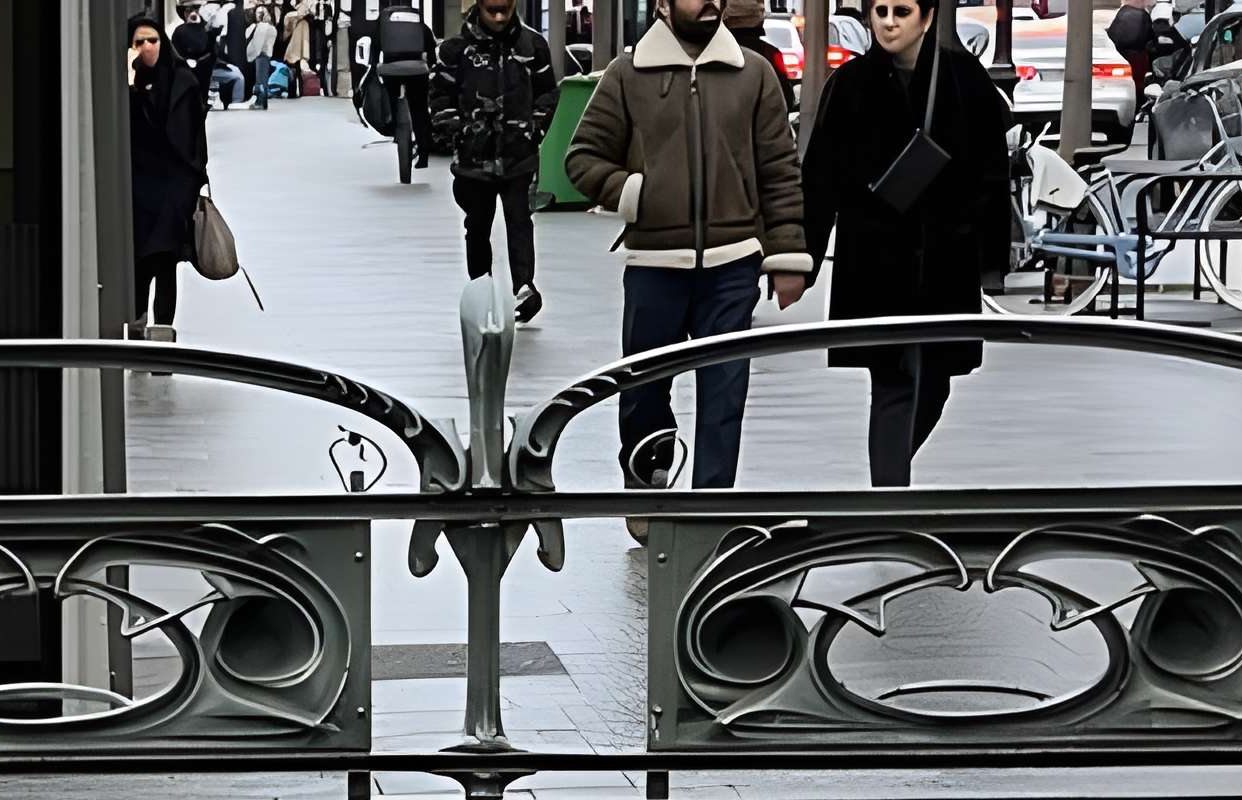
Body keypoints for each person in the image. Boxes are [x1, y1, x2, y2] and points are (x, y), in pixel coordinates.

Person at [564, 0, 814, 510]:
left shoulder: (755, 75)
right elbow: (582, 158)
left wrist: (787, 256)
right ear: (662, 4)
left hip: (733, 263)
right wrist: (634, 193)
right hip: (655, 264)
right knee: (643, 390)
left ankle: (709, 507)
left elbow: (780, 171)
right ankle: (647, 482)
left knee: (725, 390)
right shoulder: (627, 74)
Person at [803, 0, 1011, 486]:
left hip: (945, 260)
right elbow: (821, 179)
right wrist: (803, 257)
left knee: (935, 384)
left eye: (902, 10)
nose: (889, 21)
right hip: (875, 259)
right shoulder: (851, 84)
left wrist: (990, 263)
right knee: (892, 381)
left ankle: (890, 480)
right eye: (880, 10)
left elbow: (991, 174)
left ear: (927, 17)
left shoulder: (965, 80)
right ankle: (889, 497)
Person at [432, 0, 561, 322]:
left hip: (519, 155)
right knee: (477, 227)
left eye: (505, 9)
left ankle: (525, 287)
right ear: (480, 7)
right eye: (493, 10)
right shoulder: (455, 50)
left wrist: (534, 128)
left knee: (520, 222)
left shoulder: (532, 46)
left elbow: (548, 92)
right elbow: (439, 96)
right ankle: (481, 290)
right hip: (472, 160)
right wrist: (458, 132)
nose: (500, 17)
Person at [128, 14, 210, 351]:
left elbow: (195, 138)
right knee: (138, 264)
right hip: (137, 187)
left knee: (165, 263)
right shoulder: (126, 86)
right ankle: (135, 332)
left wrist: (193, 182)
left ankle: (162, 338)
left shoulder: (182, 81)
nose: (147, 48)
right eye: (138, 42)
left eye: (153, 40)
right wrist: (131, 81)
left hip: (174, 186)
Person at [372, 0, 439, 160]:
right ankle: (423, 149)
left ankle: (396, 128)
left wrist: (375, 67)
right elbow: (430, 47)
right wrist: (430, 66)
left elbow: (375, 46)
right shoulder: (417, 21)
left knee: (392, 99)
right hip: (417, 70)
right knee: (420, 108)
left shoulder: (384, 22)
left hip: (391, 69)